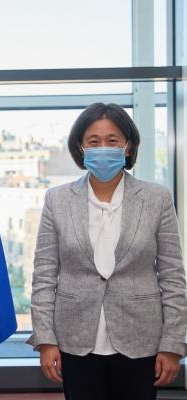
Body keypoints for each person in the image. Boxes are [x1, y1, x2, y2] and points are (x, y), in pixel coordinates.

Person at [28, 103, 187, 400]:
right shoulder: (57, 200)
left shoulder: (157, 198)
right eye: (94, 141)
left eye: (112, 140)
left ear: (128, 147)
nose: (103, 148)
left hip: (142, 341)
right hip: (75, 341)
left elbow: (173, 277)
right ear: (81, 148)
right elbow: (44, 276)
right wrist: (46, 341)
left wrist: (172, 344)